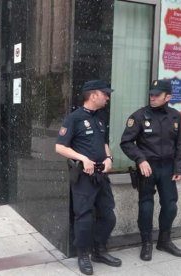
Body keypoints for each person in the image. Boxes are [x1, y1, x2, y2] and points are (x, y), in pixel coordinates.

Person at [55, 80, 122, 275]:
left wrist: (109, 158)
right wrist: (83, 158)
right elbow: (59, 147)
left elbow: (104, 142)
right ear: (93, 95)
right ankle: (83, 254)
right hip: (84, 177)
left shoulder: (100, 118)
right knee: (83, 218)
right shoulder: (73, 119)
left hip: (101, 175)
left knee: (108, 216)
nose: (107, 97)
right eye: (105, 94)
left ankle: (99, 250)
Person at [120, 79, 181, 261]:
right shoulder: (139, 116)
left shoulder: (175, 116)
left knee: (170, 206)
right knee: (146, 206)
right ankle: (146, 243)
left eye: (157, 95)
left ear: (168, 97)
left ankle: (164, 240)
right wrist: (140, 159)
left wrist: (179, 167)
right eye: (151, 94)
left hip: (168, 168)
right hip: (147, 167)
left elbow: (179, 144)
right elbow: (126, 142)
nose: (152, 97)